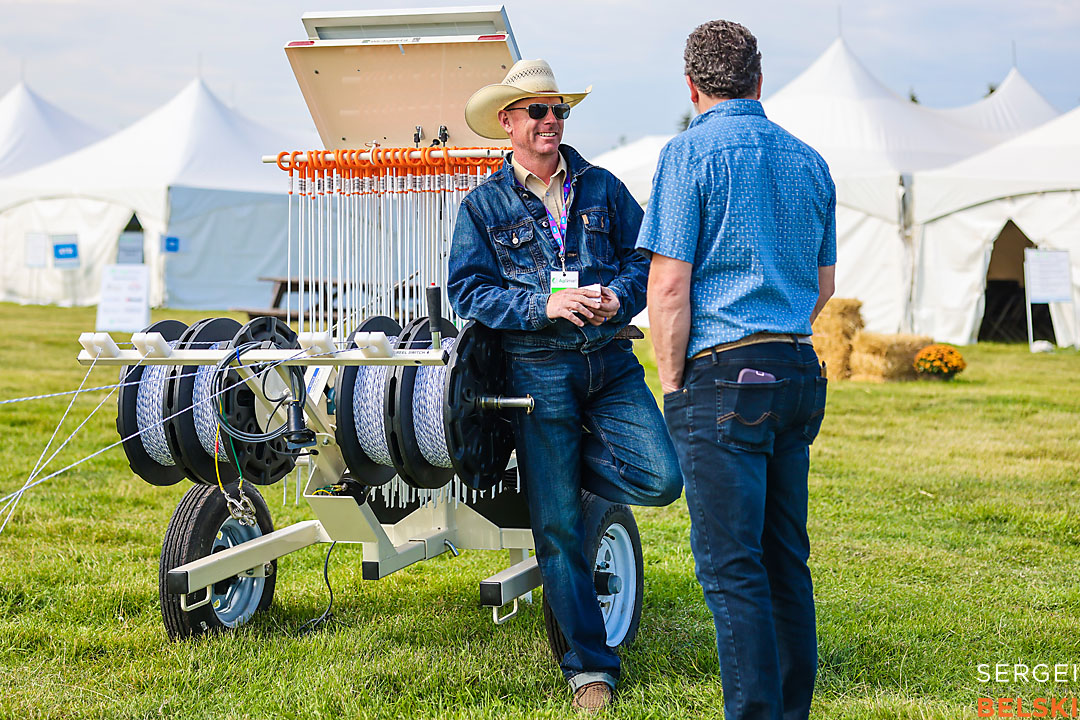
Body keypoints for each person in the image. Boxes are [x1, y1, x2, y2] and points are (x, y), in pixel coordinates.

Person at [448, 59, 683, 713]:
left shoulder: (603, 186)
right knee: (555, 530)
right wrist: (540, 308)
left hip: (608, 360)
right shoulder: (483, 203)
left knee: (663, 478)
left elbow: (645, 258)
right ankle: (589, 671)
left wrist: (618, 295)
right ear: (508, 122)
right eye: (538, 111)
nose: (551, 121)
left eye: (559, 111)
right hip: (537, 372)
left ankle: (563, 465)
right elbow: (467, 290)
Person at [636, 20, 836, 720]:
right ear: (759, 79)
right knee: (785, 558)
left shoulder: (688, 155)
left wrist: (672, 386)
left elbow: (667, 288)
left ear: (691, 85)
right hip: (797, 367)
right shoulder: (808, 159)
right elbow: (825, 285)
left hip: (724, 373)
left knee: (732, 569)